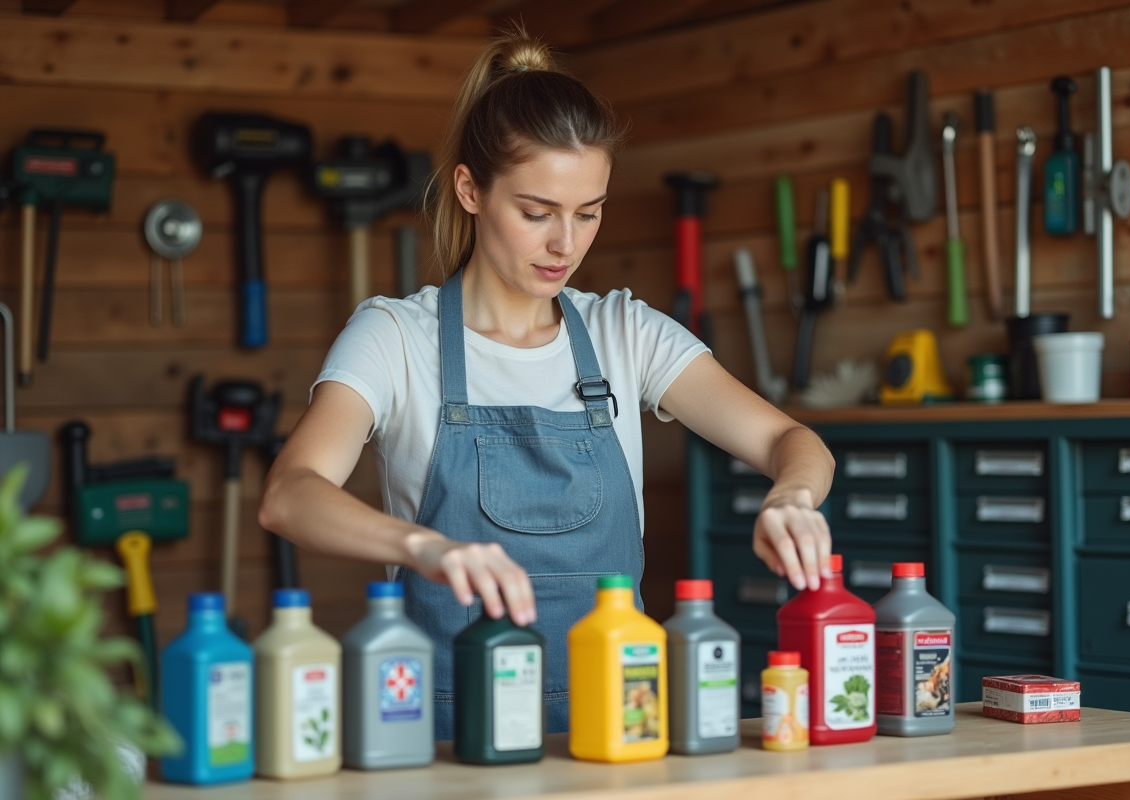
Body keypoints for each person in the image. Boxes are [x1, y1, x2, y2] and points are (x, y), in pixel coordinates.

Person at [259, 27, 835, 740]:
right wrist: (423, 547)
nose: (566, 243)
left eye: (588, 213)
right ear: (470, 190)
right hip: (447, 739)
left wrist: (791, 496)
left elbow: (790, 440)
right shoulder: (396, 337)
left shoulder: (626, 333)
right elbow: (290, 494)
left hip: (617, 727)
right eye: (536, 213)